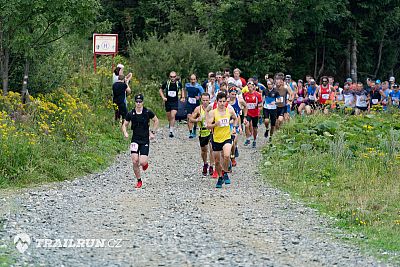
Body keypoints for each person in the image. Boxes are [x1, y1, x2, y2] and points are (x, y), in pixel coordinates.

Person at [122, 94, 159, 188]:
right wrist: (125, 133)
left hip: (145, 140)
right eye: (137, 102)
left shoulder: (147, 112)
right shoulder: (131, 113)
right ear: (135, 102)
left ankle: (145, 163)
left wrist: (153, 132)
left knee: (142, 162)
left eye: (140, 102)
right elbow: (124, 124)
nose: (138, 103)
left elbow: (156, 120)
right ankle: (139, 180)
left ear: (143, 102)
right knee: (135, 161)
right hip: (135, 139)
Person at [207, 91, 239, 188]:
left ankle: (225, 172)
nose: (222, 103)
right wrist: (215, 124)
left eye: (223, 101)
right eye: (220, 101)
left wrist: (234, 127)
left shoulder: (229, 111)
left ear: (226, 102)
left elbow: (236, 118)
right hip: (216, 139)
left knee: (226, 155)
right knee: (217, 161)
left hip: (227, 137)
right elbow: (208, 126)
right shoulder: (213, 112)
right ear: (217, 101)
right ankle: (220, 177)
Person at [189, 93, 214, 176]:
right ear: (201, 100)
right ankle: (205, 163)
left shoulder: (213, 108)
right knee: (204, 150)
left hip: (211, 131)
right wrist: (197, 120)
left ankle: (211, 166)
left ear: (209, 100)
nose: (205, 102)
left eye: (207, 100)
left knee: (212, 149)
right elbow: (191, 119)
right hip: (202, 132)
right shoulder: (198, 109)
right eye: (203, 100)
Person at [159, 71, 184, 137]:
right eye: (171, 77)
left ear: (176, 77)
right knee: (169, 116)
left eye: (174, 77)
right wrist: (163, 97)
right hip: (168, 102)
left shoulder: (178, 83)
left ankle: (171, 131)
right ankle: (170, 124)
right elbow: (160, 89)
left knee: (173, 115)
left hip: (175, 102)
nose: (173, 78)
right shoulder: (167, 83)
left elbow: (182, 89)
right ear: (169, 77)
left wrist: (183, 97)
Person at [243, 81, 262, 148]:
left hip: (255, 113)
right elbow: (244, 105)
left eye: (251, 87)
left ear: (254, 87)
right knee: (246, 125)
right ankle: (248, 138)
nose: (250, 88)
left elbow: (260, 105)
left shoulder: (258, 95)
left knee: (255, 128)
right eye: (248, 87)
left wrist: (259, 113)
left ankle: (254, 140)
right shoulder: (245, 95)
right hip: (248, 113)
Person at [184, 74, 204, 138]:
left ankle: (195, 129)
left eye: (194, 79)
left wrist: (199, 97)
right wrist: (184, 97)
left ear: (196, 79)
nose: (193, 81)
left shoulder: (199, 87)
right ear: (190, 80)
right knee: (189, 116)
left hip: (196, 103)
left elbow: (203, 94)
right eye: (191, 79)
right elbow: (184, 90)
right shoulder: (187, 85)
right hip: (189, 103)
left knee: (195, 117)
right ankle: (190, 132)